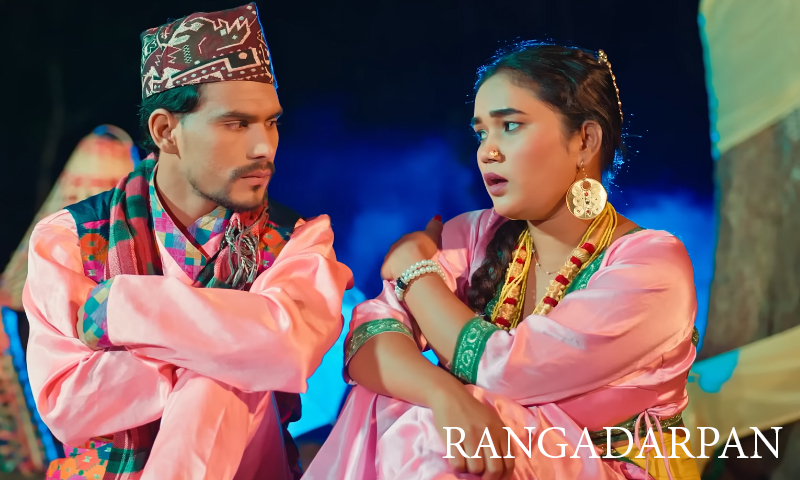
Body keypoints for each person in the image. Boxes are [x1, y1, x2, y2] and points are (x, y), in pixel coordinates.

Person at [306, 42, 701, 480]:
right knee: (394, 397)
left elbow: (511, 371)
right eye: (481, 133)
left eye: (510, 126)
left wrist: (415, 272)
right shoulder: (473, 235)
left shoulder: (652, 265)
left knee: (429, 427)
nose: (487, 152)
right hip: (499, 459)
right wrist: (442, 394)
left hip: (616, 468)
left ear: (585, 140)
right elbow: (368, 340)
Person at [23, 4, 353, 480]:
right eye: (236, 123)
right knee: (230, 375)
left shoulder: (299, 241)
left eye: (271, 122)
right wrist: (234, 348)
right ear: (166, 131)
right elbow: (68, 405)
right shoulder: (69, 238)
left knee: (220, 384)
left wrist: (126, 306)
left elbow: (289, 351)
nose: (264, 146)